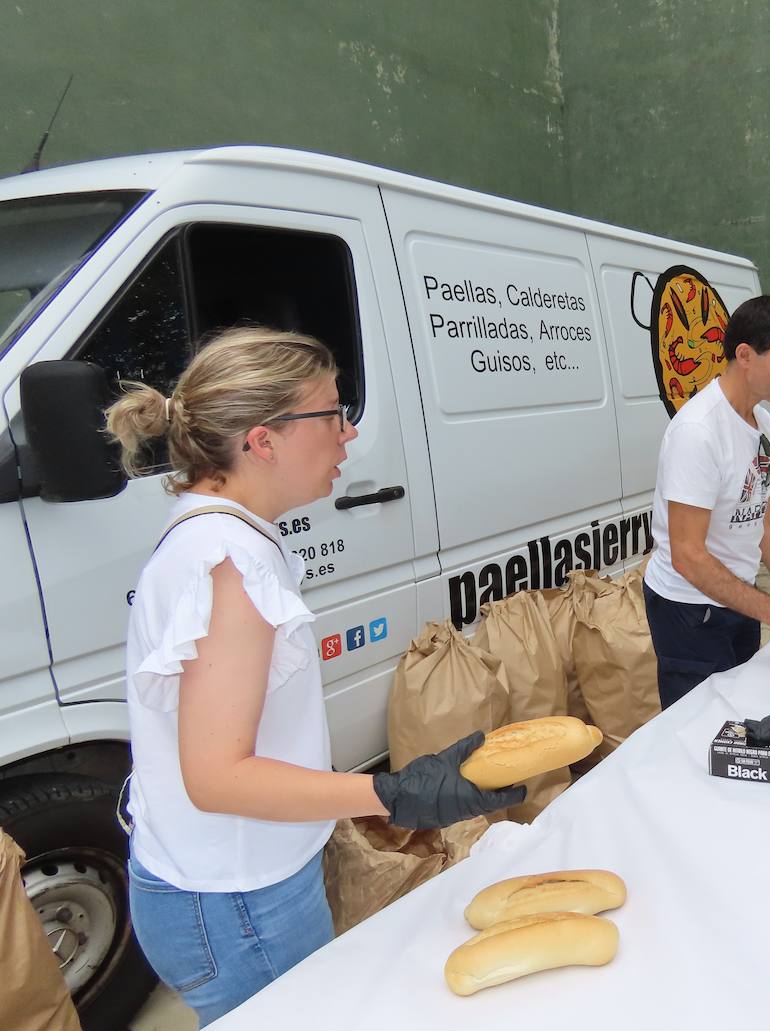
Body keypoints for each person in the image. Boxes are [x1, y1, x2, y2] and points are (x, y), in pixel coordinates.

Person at [105, 328, 524, 1025]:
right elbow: (217, 776)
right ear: (263, 441)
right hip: (238, 904)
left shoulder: (223, 536)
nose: (349, 433)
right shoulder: (229, 565)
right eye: (332, 414)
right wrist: (392, 793)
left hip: (230, 892)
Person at [642, 295, 770, 708]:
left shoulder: (762, 422)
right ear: (745, 355)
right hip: (689, 610)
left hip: (737, 596)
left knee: (740, 713)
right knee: (698, 730)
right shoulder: (698, 432)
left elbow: (763, 518)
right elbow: (687, 556)